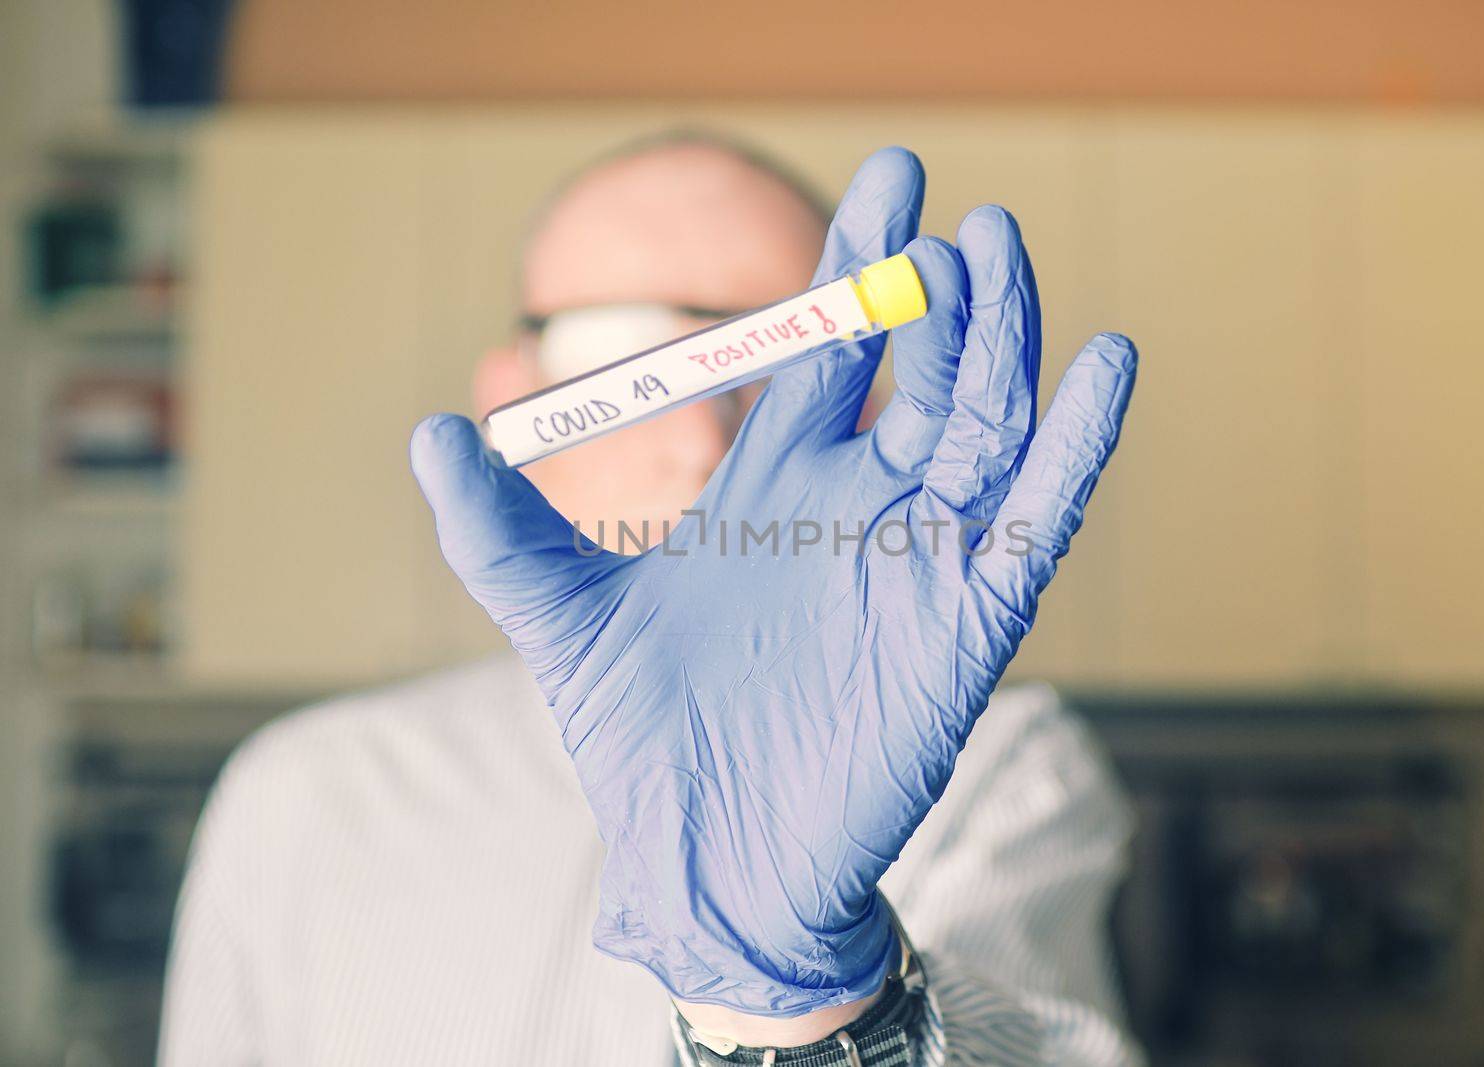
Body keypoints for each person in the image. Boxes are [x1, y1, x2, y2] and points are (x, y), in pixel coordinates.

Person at [159, 135, 1143, 1066]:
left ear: (870, 411)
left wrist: (804, 1010)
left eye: (776, 359)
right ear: (512, 393)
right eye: (631, 357)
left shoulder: (998, 770)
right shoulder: (304, 795)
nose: (703, 442)